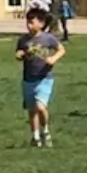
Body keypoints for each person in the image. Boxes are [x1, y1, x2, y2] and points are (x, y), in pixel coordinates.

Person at [15, 9, 65, 147]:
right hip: (28, 79)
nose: (28, 25)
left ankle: (46, 131)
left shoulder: (48, 38)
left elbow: (61, 49)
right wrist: (19, 54)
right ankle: (35, 137)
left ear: (41, 23)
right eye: (27, 22)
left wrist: (53, 58)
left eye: (32, 22)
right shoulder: (23, 40)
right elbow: (19, 52)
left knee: (41, 107)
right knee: (32, 110)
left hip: (44, 78)